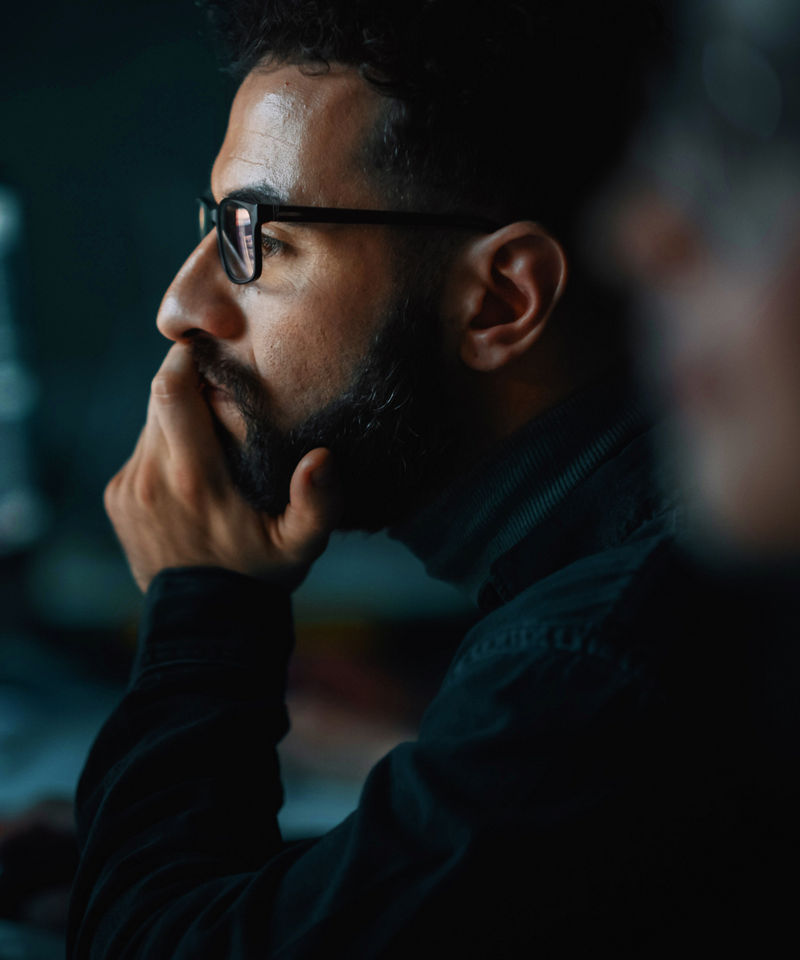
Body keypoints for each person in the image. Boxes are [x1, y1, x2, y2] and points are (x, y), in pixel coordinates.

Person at [66, 2, 685, 956]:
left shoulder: (588, 661)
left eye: (253, 236)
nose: (180, 305)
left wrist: (204, 606)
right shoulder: (629, 574)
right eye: (213, 223)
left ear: (501, 299)